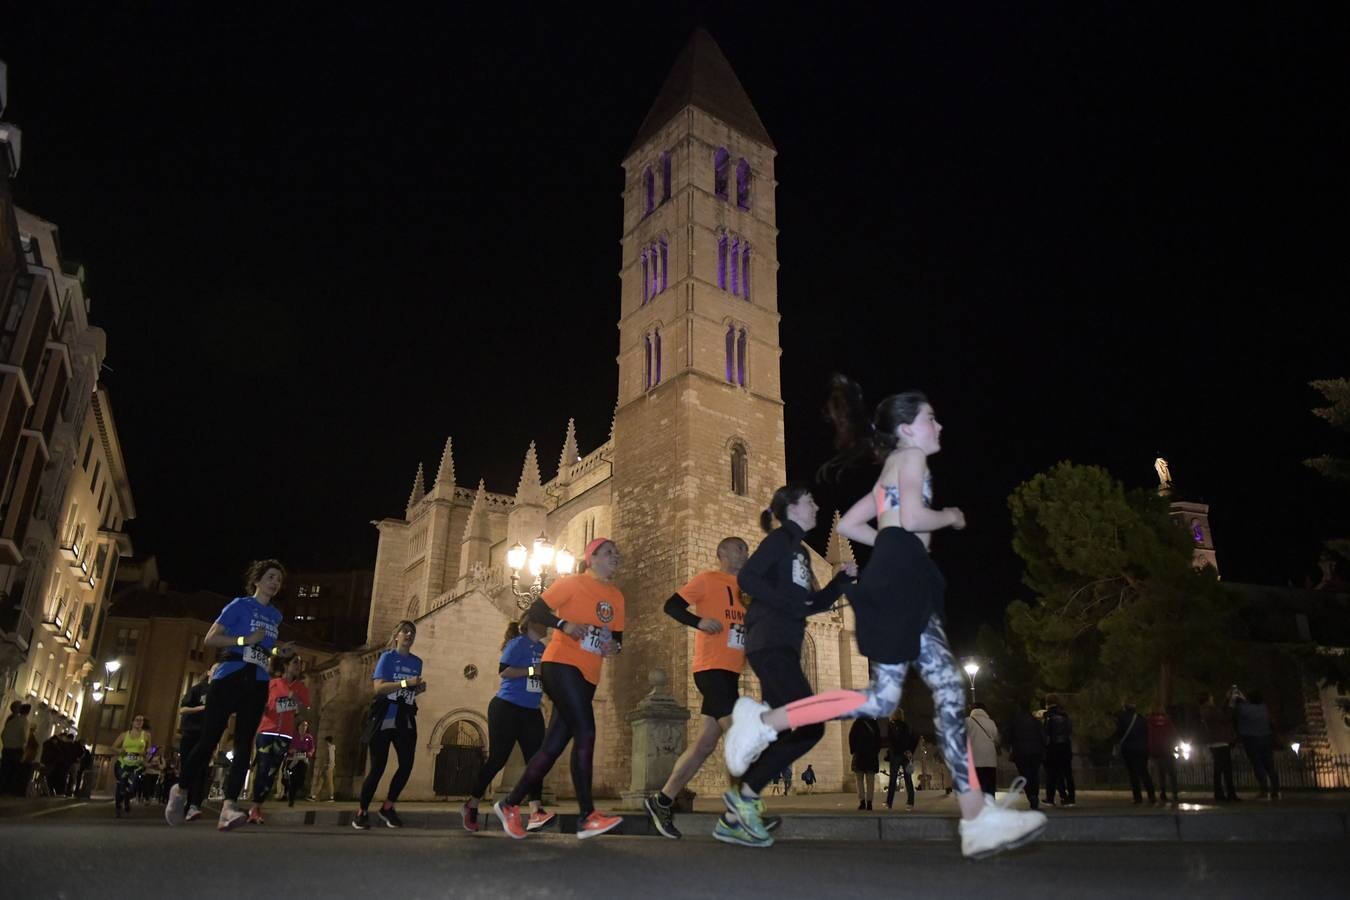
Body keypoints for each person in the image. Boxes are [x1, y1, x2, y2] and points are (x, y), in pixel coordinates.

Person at [722, 378, 1048, 858]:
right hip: (905, 583)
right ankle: (977, 817)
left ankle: (767, 723)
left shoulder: (893, 469)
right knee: (943, 691)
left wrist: (884, 546)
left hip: (902, 576)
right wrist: (946, 519)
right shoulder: (911, 459)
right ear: (908, 429)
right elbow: (912, 514)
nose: (937, 425)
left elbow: (854, 525)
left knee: (888, 697)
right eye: (929, 418)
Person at [716, 484, 854, 848]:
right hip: (770, 644)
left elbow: (812, 604)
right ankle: (743, 792)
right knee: (809, 726)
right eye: (810, 501)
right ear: (791, 509)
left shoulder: (802, 557)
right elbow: (748, 578)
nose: (817, 504)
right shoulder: (779, 542)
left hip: (783, 648)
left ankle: (734, 816)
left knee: (795, 730)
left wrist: (841, 581)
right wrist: (784, 604)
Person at [645, 537, 781, 840]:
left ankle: (662, 800)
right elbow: (671, 605)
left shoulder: (749, 590)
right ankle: (740, 815)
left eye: (746, 549)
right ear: (721, 552)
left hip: (730, 673)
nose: (744, 552)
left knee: (704, 746)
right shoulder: (708, 579)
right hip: (710, 669)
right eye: (737, 548)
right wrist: (699, 621)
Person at [494, 538, 626, 841]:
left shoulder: (617, 597)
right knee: (587, 731)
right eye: (608, 552)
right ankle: (586, 815)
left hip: (589, 675)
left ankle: (510, 804)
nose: (615, 557)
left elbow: (618, 640)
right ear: (591, 558)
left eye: (616, 553)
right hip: (561, 665)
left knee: (551, 748)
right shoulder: (572, 583)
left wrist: (612, 646)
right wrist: (564, 624)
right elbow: (535, 612)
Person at [166, 559, 293, 831]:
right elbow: (211, 639)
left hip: (258, 679)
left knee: (245, 743)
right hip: (230, 675)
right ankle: (181, 788)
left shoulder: (275, 616)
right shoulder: (239, 606)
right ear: (257, 580)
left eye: (279, 580)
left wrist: (276, 653)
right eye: (270, 577)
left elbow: (264, 647)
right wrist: (243, 641)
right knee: (210, 738)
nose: (275, 583)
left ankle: (229, 807)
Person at [463, 616, 553, 834]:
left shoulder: (542, 648)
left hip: (531, 711)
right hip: (507, 707)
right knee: (497, 759)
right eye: (544, 620)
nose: (547, 624)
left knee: (537, 760)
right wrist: (533, 671)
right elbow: (504, 670)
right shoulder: (518, 643)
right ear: (532, 623)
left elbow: (543, 677)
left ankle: (535, 811)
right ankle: (472, 804)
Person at [353, 620, 424, 829]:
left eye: (412, 632)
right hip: (384, 717)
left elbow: (410, 690)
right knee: (378, 768)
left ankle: (388, 806)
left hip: (404, 718)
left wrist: (416, 689)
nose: (409, 635)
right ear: (396, 636)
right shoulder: (387, 658)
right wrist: (405, 683)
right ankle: (361, 813)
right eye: (405, 631)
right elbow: (378, 688)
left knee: (407, 764)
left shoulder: (417, 662)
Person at [250, 653, 310, 823]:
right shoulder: (273, 684)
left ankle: (258, 806)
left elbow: (302, 709)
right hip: (267, 731)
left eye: (300, 663)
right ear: (285, 665)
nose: (299, 665)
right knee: (262, 768)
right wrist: (281, 704)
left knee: (271, 772)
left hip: (284, 735)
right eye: (295, 662)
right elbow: (265, 706)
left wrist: (292, 701)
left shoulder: (301, 687)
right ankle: (254, 808)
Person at [177, 665, 215, 821]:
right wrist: (202, 708)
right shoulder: (198, 689)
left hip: (206, 735)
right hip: (191, 732)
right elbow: (182, 709)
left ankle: (194, 805)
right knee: (188, 766)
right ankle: (182, 798)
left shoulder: (222, 691)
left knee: (201, 769)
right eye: (215, 669)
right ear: (208, 672)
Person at [1230, 687, 1280, 800]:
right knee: (1269, 765)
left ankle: (1263, 789)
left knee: (1257, 764)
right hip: (1266, 737)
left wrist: (1235, 695)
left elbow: (1233, 708)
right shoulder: (1263, 708)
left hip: (1250, 738)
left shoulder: (1243, 708)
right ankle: (1275, 789)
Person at [1002, 703, 1046, 810]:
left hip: (1020, 753)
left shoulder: (1014, 722)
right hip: (1036, 752)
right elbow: (1043, 737)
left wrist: (1009, 748)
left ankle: (1031, 796)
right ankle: (1034, 796)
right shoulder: (1036, 722)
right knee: (1034, 775)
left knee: (1025, 775)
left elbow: (1007, 737)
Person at [1111, 701, 1154, 804]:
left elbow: (1118, 733)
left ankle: (1137, 797)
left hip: (1129, 749)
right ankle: (1151, 795)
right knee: (1144, 772)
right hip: (1142, 749)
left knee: (1133, 774)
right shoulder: (1141, 719)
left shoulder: (1122, 718)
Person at [1199, 693, 1239, 802]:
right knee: (1225, 769)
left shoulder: (1205, 711)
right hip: (1220, 742)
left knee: (1219, 769)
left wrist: (1226, 699)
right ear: (1207, 700)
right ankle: (1228, 793)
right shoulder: (1211, 711)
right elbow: (1226, 717)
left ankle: (1220, 793)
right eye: (1211, 698)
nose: (1213, 700)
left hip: (1215, 742)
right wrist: (1231, 704)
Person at [112, 714, 151, 817]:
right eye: (137, 720)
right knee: (121, 785)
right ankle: (118, 807)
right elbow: (113, 747)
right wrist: (120, 750)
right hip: (123, 764)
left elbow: (149, 750)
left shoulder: (146, 735)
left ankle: (127, 799)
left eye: (141, 720)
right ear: (132, 722)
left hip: (137, 765)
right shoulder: (124, 735)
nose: (139, 722)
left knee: (133, 787)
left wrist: (146, 754)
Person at [1043, 695, 1075, 807]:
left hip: (1053, 748)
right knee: (1068, 774)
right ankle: (1071, 798)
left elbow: (1046, 735)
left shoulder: (1048, 716)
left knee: (1051, 774)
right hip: (1065, 747)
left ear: (1047, 703)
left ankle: (1050, 798)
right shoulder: (1065, 716)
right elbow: (1070, 730)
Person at [1146, 707, 1180, 805]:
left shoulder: (1149, 722)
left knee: (1161, 773)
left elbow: (1149, 736)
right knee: (1172, 773)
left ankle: (1163, 792)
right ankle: (1175, 793)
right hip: (1169, 750)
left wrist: (1150, 751)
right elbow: (1175, 735)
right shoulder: (1168, 721)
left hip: (1157, 752)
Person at [884, 709, 917, 810]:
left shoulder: (891, 725)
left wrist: (892, 750)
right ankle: (910, 802)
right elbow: (910, 739)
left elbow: (890, 741)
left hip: (895, 756)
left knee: (892, 780)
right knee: (908, 780)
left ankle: (889, 802)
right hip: (905, 755)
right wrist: (908, 751)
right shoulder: (905, 726)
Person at [966, 702, 1000, 797]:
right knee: (990, 785)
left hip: (975, 759)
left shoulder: (967, 721)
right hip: (990, 760)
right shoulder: (991, 722)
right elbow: (997, 739)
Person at [849, 717, 882, 810]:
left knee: (859, 780)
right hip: (871, 756)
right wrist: (876, 751)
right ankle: (870, 802)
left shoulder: (857, 723)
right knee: (870, 780)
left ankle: (862, 801)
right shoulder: (874, 723)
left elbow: (851, 737)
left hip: (859, 755)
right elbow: (878, 739)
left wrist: (853, 751)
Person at [1, 702, 31, 797]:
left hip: (6, 748)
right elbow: (24, 737)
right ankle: (8, 791)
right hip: (16, 749)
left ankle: (2, 789)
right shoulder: (24, 722)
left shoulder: (12, 720)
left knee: (4, 770)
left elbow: (3, 734)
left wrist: (6, 743)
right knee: (13, 771)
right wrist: (23, 748)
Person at [284, 721, 315, 806]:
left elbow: (312, 748)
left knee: (301, 779)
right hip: (292, 760)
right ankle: (291, 799)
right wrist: (290, 750)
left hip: (303, 760)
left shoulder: (309, 737)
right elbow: (286, 746)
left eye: (305, 726)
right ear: (298, 726)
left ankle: (294, 791)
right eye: (302, 725)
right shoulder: (293, 736)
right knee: (293, 779)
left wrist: (310, 753)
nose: (304, 727)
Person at [311, 735, 337, 801]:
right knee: (320, 782)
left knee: (330, 783)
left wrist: (329, 767)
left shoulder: (330, 748)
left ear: (327, 741)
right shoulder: (329, 748)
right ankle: (313, 796)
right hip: (325, 767)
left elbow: (331, 759)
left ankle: (331, 797)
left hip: (328, 768)